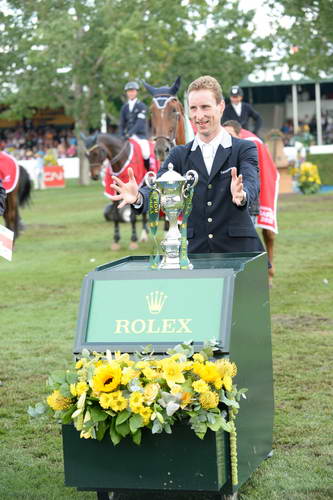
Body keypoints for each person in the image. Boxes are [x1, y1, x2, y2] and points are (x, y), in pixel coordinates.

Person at [109, 75, 264, 255]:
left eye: (205, 107)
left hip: (240, 252)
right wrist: (138, 197)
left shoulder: (244, 148)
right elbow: (158, 189)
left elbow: (252, 183)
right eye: (194, 108)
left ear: (221, 107)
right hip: (195, 254)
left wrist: (242, 195)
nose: (199, 116)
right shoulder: (179, 155)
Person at [119, 81, 151, 170]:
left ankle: (147, 171)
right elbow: (122, 123)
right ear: (126, 93)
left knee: (146, 152)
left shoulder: (142, 106)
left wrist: (130, 133)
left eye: (133, 91)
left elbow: (140, 123)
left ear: (136, 92)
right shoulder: (124, 107)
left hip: (140, 136)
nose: (131, 93)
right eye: (129, 91)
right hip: (127, 136)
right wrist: (121, 135)